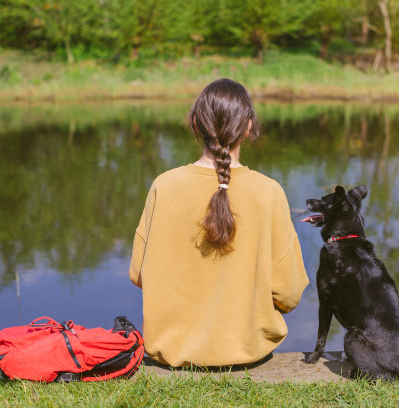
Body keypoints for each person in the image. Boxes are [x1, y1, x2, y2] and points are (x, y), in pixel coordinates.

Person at [129, 78, 308, 367]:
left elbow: (139, 275)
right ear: (249, 126)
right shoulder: (269, 191)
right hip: (247, 353)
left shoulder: (164, 186)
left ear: (196, 123)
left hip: (172, 354)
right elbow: (289, 293)